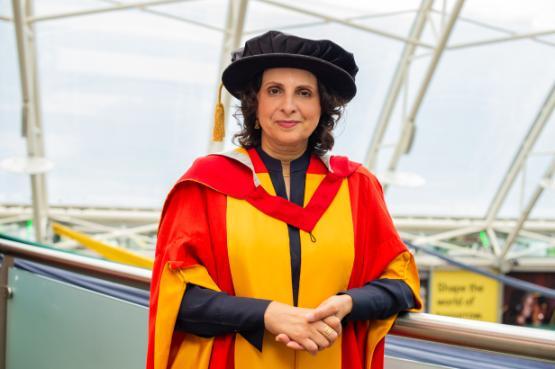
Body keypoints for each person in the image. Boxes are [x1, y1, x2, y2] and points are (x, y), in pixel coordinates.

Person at [147, 30, 422, 369]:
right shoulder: (206, 186)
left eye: (304, 93)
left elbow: (402, 283)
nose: (288, 106)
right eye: (274, 91)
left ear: (321, 107)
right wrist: (267, 314)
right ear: (255, 102)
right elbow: (178, 296)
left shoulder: (356, 187)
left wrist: (350, 303)